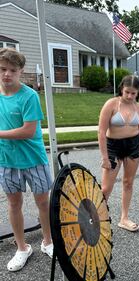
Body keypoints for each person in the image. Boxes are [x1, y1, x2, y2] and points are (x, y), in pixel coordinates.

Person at [0, 48, 54, 271]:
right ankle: (22, 248)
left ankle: (48, 242)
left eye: (13, 70)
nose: (7, 74)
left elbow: (28, 131)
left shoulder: (29, 96)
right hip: (6, 160)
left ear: (21, 71)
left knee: (43, 202)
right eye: (3, 69)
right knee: (14, 204)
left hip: (34, 159)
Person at [98, 75, 139, 232]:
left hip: (133, 146)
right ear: (121, 89)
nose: (129, 96)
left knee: (128, 183)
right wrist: (105, 157)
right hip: (113, 146)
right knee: (106, 188)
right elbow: (101, 131)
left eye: (133, 93)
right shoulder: (111, 104)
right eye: (127, 92)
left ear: (138, 93)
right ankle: (96, 218)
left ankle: (124, 218)